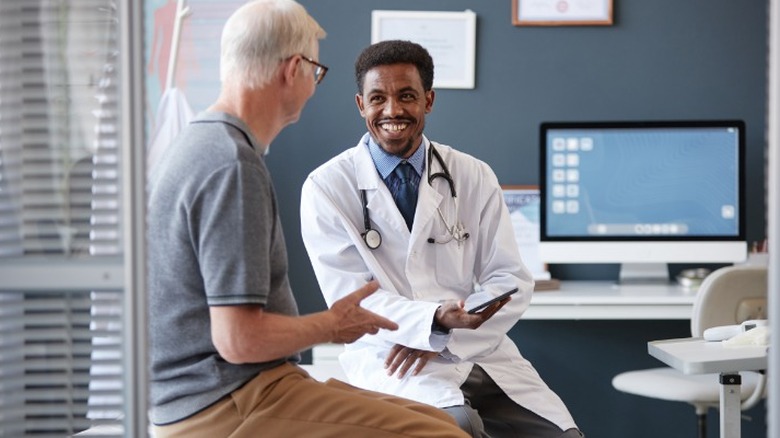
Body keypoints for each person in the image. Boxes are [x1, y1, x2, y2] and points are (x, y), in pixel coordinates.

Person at [147, 3, 470, 437]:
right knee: (442, 434)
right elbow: (238, 341)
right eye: (315, 71)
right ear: (293, 68)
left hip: (247, 384)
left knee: (435, 418)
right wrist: (332, 325)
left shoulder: (206, 143)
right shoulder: (230, 165)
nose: (313, 85)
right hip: (223, 402)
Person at [300, 40, 583, 438]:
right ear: (360, 105)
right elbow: (352, 299)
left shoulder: (473, 175)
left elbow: (510, 281)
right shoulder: (328, 187)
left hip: (479, 351)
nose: (392, 111)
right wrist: (430, 322)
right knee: (456, 429)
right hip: (392, 356)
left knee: (562, 435)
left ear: (428, 101)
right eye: (378, 98)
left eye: (407, 96)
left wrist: (440, 337)